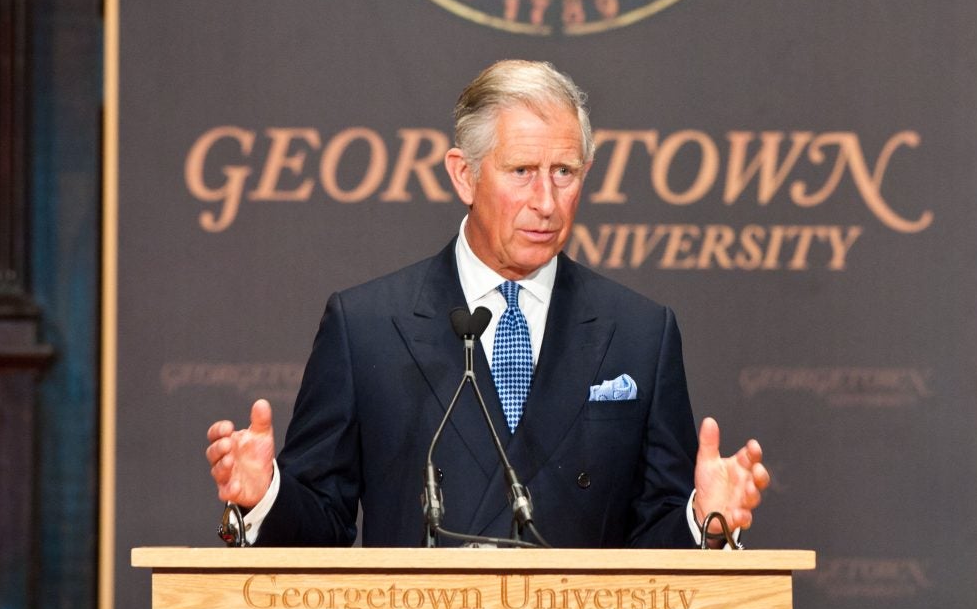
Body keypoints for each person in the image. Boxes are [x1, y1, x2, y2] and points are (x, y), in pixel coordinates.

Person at [205, 59, 768, 548]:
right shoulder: (367, 327)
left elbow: (655, 546)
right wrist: (265, 497)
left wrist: (704, 521)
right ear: (464, 175)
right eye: (522, 171)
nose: (546, 202)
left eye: (564, 173)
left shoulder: (641, 332)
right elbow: (321, 527)